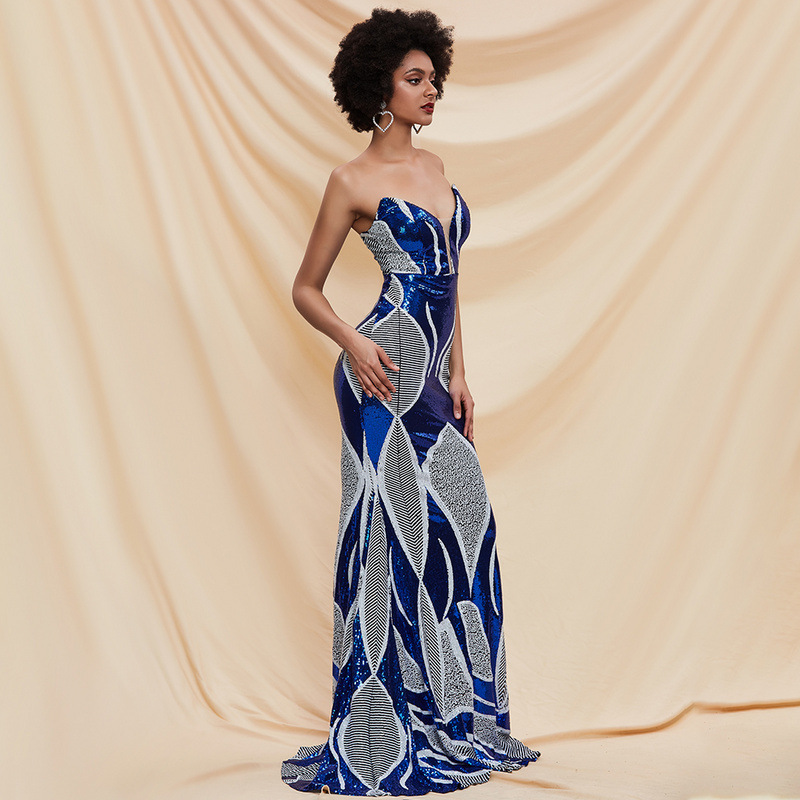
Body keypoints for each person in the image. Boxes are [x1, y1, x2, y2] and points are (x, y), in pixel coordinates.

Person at [281, 8, 541, 795]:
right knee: (390, 543)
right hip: (379, 373)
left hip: (433, 379)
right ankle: (383, 734)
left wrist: (460, 371)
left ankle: (457, 716)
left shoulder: (436, 169)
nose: (432, 91)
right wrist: (353, 344)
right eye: (416, 79)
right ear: (381, 88)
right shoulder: (351, 182)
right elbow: (305, 288)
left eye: (434, 78)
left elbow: (449, 281)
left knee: (465, 530)